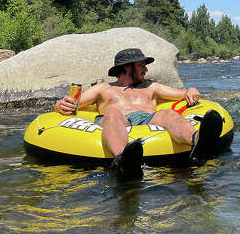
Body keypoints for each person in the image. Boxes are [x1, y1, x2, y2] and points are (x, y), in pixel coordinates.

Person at [54, 48, 222, 177]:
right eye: (141, 66)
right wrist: (60, 105)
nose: (145, 70)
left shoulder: (151, 87)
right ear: (127, 67)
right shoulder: (104, 88)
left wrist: (192, 90)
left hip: (147, 119)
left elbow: (184, 93)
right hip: (115, 120)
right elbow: (72, 104)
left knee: (167, 114)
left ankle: (198, 141)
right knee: (112, 112)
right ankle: (123, 159)